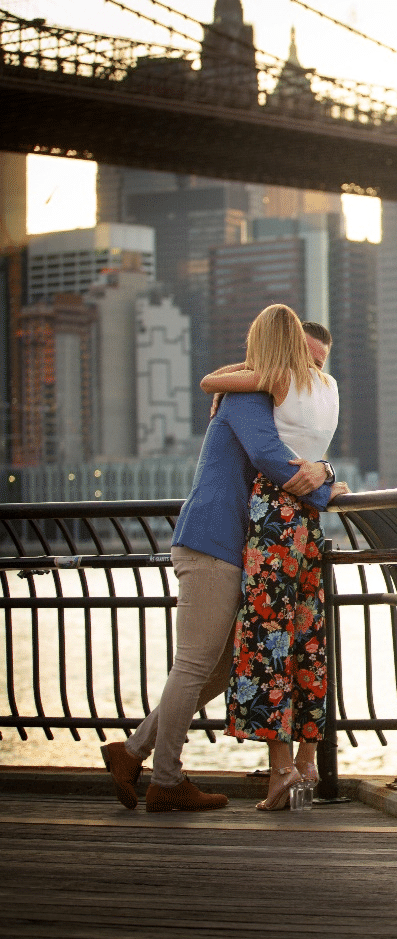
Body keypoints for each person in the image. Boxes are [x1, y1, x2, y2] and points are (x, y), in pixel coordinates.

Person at [100, 317, 340, 812]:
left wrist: (327, 467)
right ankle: (165, 779)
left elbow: (297, 449)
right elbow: (274, 459)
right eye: (304, 358)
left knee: (226, 664)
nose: (311, 371)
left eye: (320, 363)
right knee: (193, 664)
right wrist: (325, 487)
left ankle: (130, 753)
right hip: (214, 543)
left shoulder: (275, 396)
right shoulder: (249, 398)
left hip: (237, 548)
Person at [201, 308, 343, 811]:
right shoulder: (329, 387)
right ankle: (309, 760)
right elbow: (315, 458)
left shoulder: (275, 377)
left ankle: (280, 769)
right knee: (309, 638)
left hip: (274, 515)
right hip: (309, 520)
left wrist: (245, 370)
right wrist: (326, 479)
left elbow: (208, 380)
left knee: (266, 638)